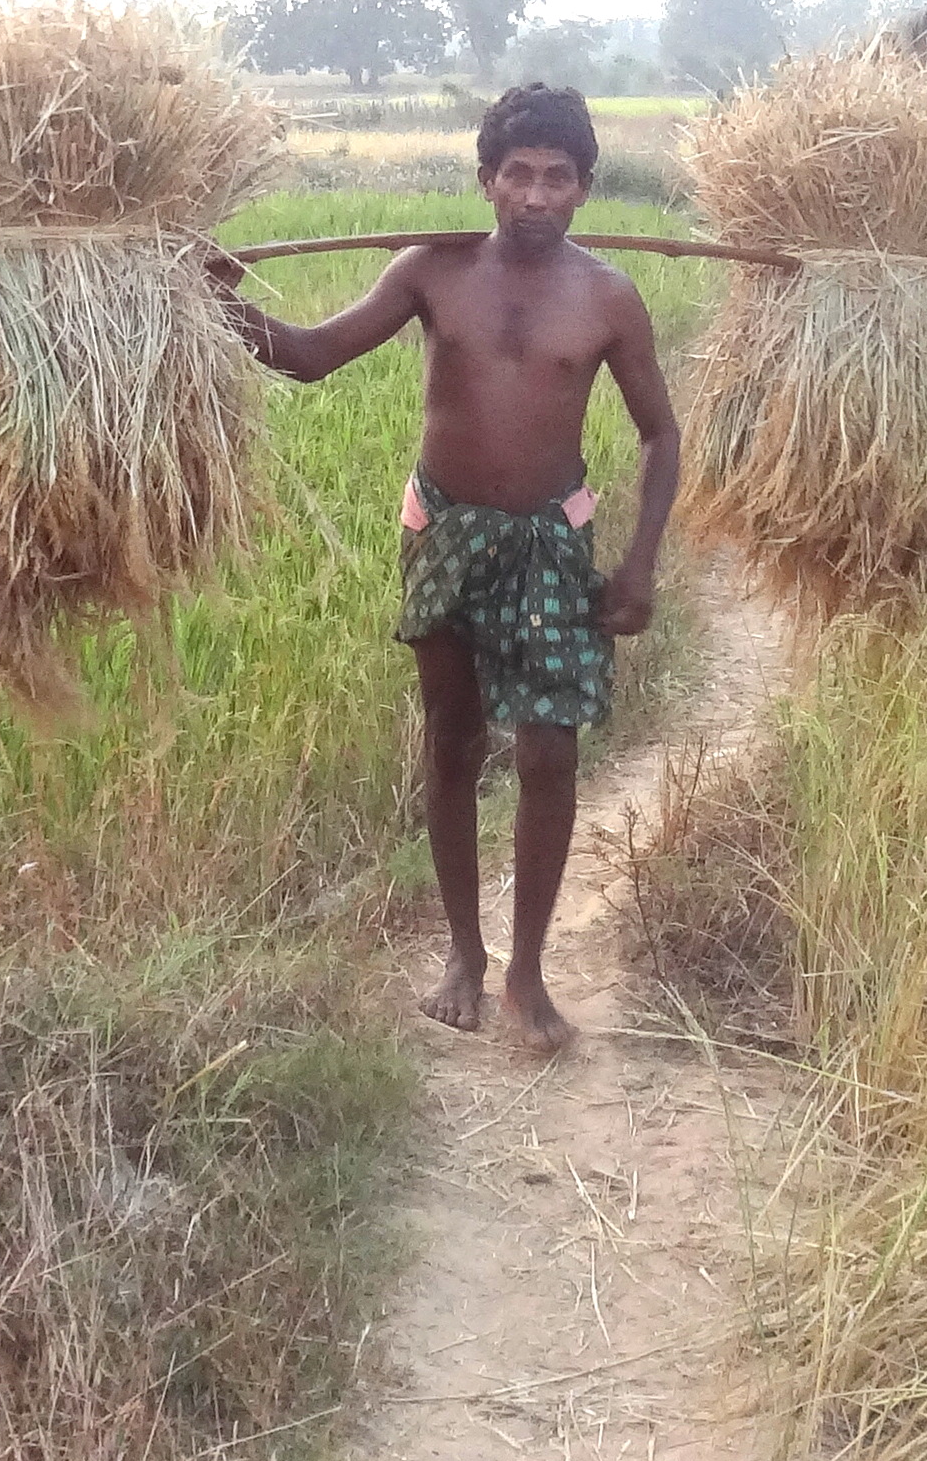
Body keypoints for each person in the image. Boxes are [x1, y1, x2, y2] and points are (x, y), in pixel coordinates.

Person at [205, 83, 678, 1053]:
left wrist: (636, 566)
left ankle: (530, 974)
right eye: (518, 176)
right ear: (486, 181)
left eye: (557, 179)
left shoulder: (606, 298)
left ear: (584, 189)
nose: (537, 197)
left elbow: (659, 435)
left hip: (550, 540)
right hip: (445, 533)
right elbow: (306, 357)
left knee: (549, 748)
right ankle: (463, 955)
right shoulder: (431, 271)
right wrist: (212, 299)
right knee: (452, 742)